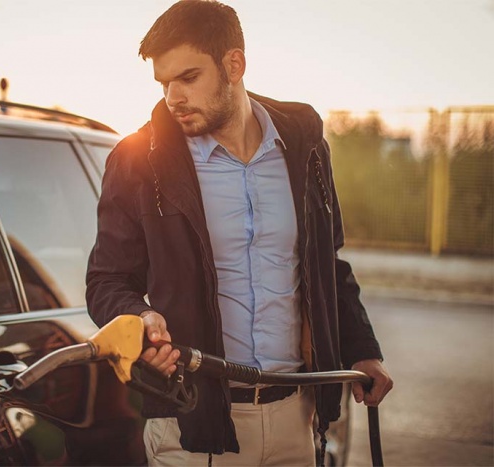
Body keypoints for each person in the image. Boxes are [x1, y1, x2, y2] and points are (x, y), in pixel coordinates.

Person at [86, 1, 393, 465]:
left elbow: (326, 264)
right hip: (195, 422)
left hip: (296, 415)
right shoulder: (137, 160)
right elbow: (106, 281)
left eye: (188, 78)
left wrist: (362, 349)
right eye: (164, 83)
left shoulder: (304, 148)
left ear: (234, 64)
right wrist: (139, 320)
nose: (173, 97)